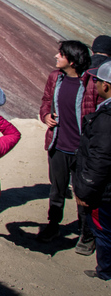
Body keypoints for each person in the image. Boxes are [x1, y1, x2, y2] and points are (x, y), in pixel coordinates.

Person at [37, 40, 101, 252]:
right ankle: (53, 225)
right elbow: (46, 100)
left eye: (61, 54)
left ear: (72, 61)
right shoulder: (55, 78)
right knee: (57, 190)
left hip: (83, 150)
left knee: (84, 194)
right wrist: (46, 116)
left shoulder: (92, 84)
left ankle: (86, 234)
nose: (56, 57)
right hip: (58, 145)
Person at [75, 60, 111, 280]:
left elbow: (100, 159)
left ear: (106, 86)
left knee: (104, 232)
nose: (94, 84)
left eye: (97, 80)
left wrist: (85, 190)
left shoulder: (106, 119)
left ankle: (105, 271)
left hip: (104, 192)